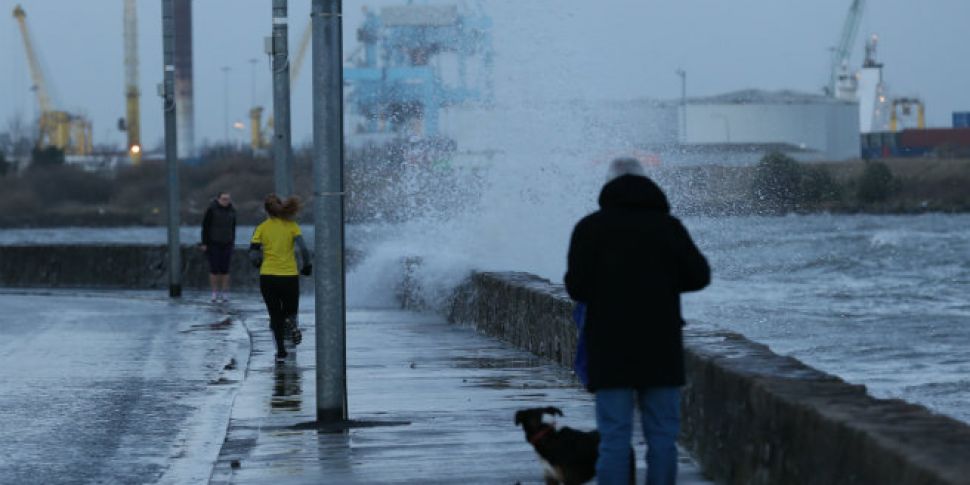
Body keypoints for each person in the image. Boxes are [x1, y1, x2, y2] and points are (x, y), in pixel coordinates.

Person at [564, 158, 710, 485]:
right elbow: (699, 276)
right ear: (647, 184)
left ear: (607, 185)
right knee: (662, 438)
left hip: (609, 348)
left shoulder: (590, 228)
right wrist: (663, 283)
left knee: (614, 438)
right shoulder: (668, 227)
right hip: (661, 347)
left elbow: (576, 287)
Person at [249, 194, 312, 363]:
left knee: (274, 314)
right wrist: (307, 266)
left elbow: (253, 252)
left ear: (266, 211)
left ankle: (281, 352)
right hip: (289, 277)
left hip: (268, 276)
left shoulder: (261, 227)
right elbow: (304, 249)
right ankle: (289, 322)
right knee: (290, 311)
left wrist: (257, 263)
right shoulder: (292, 226)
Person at [200, 191, 237, 303]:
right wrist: (204, 243)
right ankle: (214, 292)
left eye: (228, 199)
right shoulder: (211, 210)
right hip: (213, 242)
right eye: (224, 199)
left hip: (227, 242)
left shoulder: (232, 211)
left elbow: (233, 227)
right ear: (218, 199)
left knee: (225, 269)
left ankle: (225, 293)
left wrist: (232, 241)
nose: (226, 201)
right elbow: (205, 227)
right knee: (214, 269)